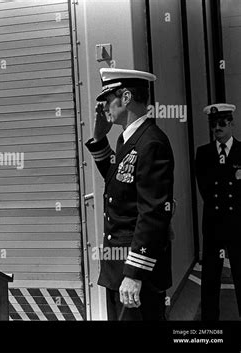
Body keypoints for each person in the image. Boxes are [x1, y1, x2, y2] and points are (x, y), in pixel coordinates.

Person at [85, 68, 174, 320]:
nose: (103, 107)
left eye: (107, 98)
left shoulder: (151, 143)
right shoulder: (128, 139)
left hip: (135, 274)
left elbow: (153, 213)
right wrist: (99, 138)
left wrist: (134, 274)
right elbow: (119, 183)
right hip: (119, 270)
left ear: (126, 97)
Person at [195, 103, 241, 321]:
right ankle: (210, 326)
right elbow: (205, 189)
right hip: (213, 224)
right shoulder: (203, 153)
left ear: (231, 124)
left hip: (237, 223)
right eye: (213, 124)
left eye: (222, 123)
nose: (217, 128)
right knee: (210, 278)